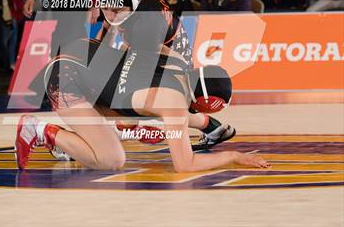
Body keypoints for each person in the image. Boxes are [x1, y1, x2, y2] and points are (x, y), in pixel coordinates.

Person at [15, 37, 269, 172]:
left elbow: (129, 42)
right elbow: (185, 165)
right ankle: (37, 130)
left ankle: (105, 131)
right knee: (111, 159)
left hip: (83, 51)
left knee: (131, 108)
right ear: (207, 102)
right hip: (66, 79)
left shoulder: (178, 60)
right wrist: (234, 157)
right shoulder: (176, 105)